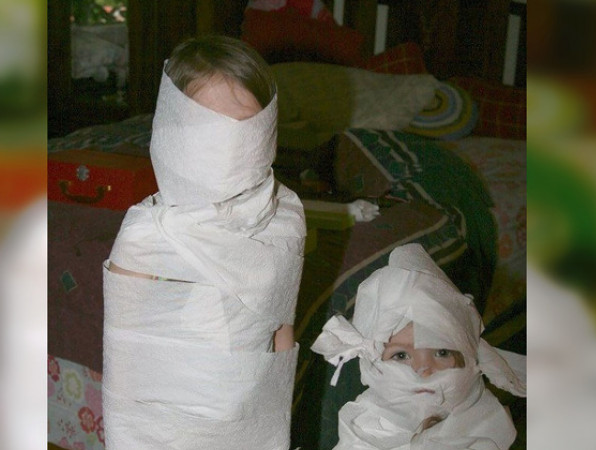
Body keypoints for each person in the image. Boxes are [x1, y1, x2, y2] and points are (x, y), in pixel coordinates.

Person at [102, 35, 306, 449]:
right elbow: (123, 368)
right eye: (208, 125)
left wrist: (275, 428)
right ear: (173, 131)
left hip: (250, 428)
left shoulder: (283, 219)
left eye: (242, 126)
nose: (227, 145)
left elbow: (281, 333)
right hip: (166, 433)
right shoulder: (147, 235)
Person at [312, 243, 526, 449]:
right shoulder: (367, 428)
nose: (423, 370)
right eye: (401, 356)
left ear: (468, 357)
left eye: (441, 352)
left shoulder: (484, 423)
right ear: (373, 366)